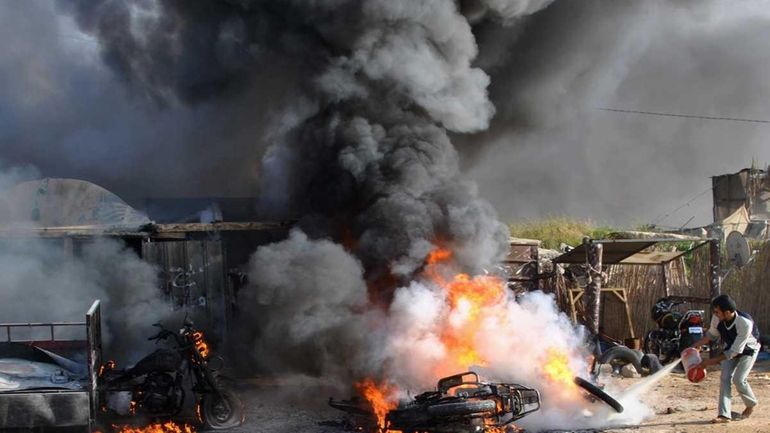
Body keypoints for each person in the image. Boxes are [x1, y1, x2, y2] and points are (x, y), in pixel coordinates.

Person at [690, 294, 760, 424]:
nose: (714, 314)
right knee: (725, 378)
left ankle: (751, 404)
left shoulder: (744, 323)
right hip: (730, 348)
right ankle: (724, 415)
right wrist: (694, 347)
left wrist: (708, 362)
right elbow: (711, 335)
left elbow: (735, 352)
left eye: (717, 312)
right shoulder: (717, 319)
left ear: (727, 312)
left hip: (748, 351)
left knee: (739, 379)